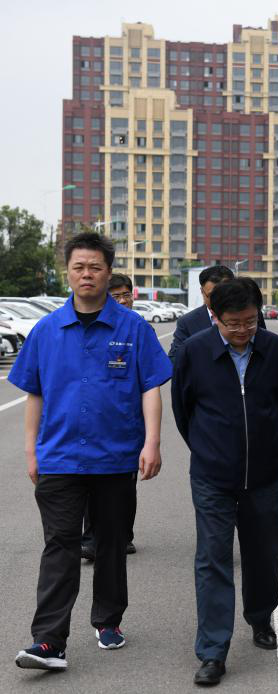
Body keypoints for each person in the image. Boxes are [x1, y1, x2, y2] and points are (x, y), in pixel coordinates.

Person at [10, 232, 172, 671]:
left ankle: (108, 620)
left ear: (108, 272)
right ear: (67, 272)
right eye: (79, 267)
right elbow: (34, 394)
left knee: (111, 543)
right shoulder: (46, 331)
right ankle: (49, 641)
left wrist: (152, 442)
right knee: (60, 545)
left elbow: (150, 387)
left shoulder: (134, 328)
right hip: (59, 457)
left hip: (115, 457)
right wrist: (31, 452)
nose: (87, 274)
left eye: (95, 267)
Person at [171, 277, 278, 686]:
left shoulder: (275, 349)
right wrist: (208, 447)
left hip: (264, 474)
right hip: (212, 476)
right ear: (215, 317)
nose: (242, 330)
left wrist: (266, 444)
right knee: (212, 558)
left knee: (264, 551)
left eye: (250, 321)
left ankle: (260, 618)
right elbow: (183, 409)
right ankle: (212, 650)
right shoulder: (194, 351)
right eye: (233, 323)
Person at [79, 273, 140, 561]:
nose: (122, 300)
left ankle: (123, 535)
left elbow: (150, 382)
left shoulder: (138, 329)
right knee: (90, 485)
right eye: (116, 296)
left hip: (127, 423)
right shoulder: (94, 330)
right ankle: (91, 540)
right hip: (93, 422)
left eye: (126, 294)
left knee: (125, 487)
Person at [168, 266, 266, 361]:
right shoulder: (187, 322)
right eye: (212, 295)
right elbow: (175, 358)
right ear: (202, 291)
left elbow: (264, 347)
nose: (219, 300)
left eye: (226, 294)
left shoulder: (252, 316)